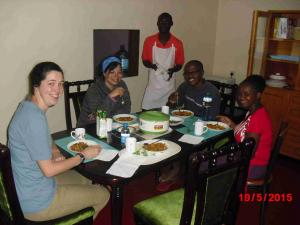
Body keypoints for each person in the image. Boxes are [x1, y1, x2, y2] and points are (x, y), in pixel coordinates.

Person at [8, 62, 110, 221]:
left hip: (28, 185)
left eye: (60, 84)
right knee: (102, 194)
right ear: (36, 85)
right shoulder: (34, 119)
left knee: (88, 179)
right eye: (51, 83)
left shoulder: (28, 106)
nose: (58, 90)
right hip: (37, 202)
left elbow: (46, 137)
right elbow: (49, 170)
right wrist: (82, 156)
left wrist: (55, 151)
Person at [217, 75, 273, 180]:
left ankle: (218, 194)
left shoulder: (257, 118)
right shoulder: (252, 111)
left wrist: (227, 156)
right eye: (239, 94)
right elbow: (245, 133)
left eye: (246, 94)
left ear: (258, 95)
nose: (241, 97)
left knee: (205, 165)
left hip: (252, 166)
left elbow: (249, 153)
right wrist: (231, 124)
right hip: (249, 161)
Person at [142, 12, 184, 110]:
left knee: (168, 111)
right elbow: (145, 60)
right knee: (146, 110)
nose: (163, 24)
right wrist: (152, 66)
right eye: (161, 22)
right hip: (154, 83)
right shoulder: (149, 41)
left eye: (166, 22)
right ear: (157, 23)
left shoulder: (177, 43)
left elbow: (180, 63)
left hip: (168, 84)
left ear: (171, 23)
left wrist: (173, 70)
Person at [77, 56, 131, 127]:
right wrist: (111, 96)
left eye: (119, 72)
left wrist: (111, 116)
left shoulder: (122, 84)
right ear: (104, 73)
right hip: (89, 128)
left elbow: (127, 108)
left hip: (113, 126)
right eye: (112, 72)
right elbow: (99, 116)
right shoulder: (93, 90)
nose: (116, 76)